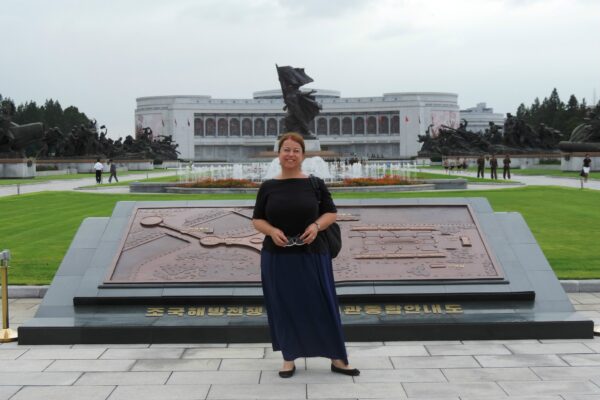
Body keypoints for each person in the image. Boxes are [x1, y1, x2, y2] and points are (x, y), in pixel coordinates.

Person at [252, 132, 359, 379]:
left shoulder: (315, 183)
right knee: (284, 306)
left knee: (322, 304)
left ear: (303, 155)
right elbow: (257, 220)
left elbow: (331, 213)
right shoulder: (268, 187)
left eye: (295, 150)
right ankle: (288, 358)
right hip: (277, 256)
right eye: (286, 149)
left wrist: (316, 226)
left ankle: (337, 359)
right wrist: (272, 230)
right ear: (279, 154)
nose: (290, 154)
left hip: (312, 253)